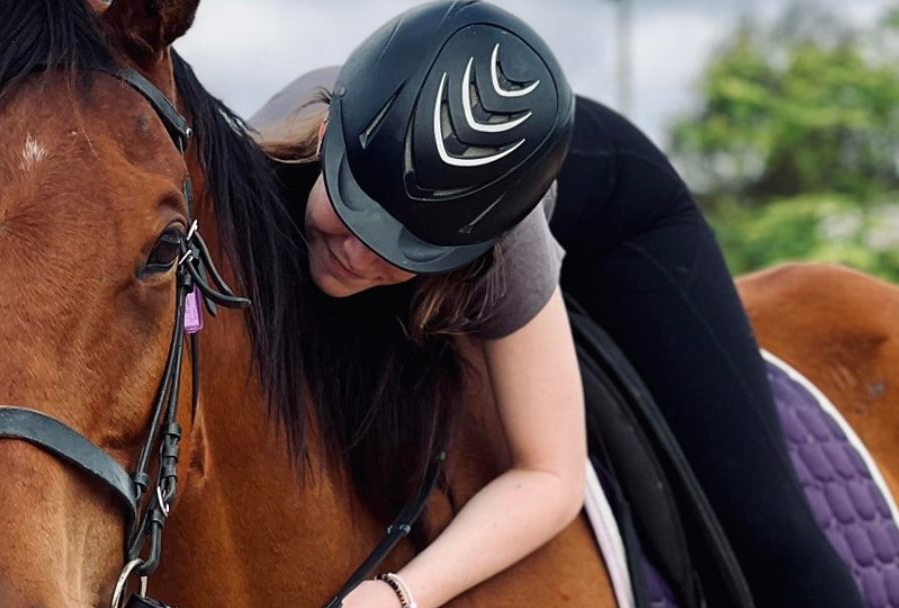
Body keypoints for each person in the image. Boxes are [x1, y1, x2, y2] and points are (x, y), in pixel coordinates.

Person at [249, 2, 866, 607]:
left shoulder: (502, 248)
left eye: (401, 247)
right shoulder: (254, 164)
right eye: (353, 208)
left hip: (624, 217)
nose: (357, 255)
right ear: (327, 139)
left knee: (767, 530)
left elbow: (550, 476)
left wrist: (402, 595)